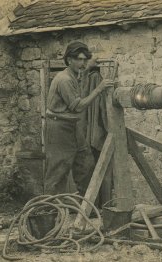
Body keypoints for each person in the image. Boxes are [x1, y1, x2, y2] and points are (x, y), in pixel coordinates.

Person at [44, 41, 114, 196]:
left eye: (84, 59)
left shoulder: (73, 75)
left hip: (73, 126)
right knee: (58, 171)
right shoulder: (64, 79)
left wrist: (89, 66)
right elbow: (79, 106)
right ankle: (49, 213)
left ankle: (86, 209)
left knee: (86, 165)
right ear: (69, 60)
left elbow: (81, 78)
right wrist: (99, 88)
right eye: (79, 59)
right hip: (59, 128)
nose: (82, 63)